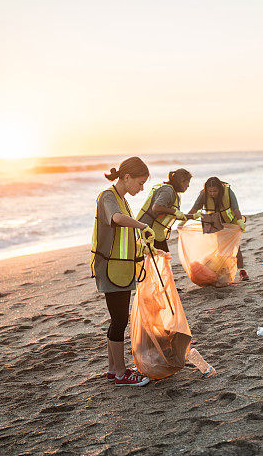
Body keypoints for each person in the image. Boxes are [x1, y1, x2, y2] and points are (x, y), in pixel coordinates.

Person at [90, 157, 155, 387]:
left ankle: (112, 370)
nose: (142, 188)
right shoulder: (109, 197)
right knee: (119, 321)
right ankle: (120, 373)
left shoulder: (122, 199)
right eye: (140, 183)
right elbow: (117, 219)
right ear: (126, 177)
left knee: (117, 320)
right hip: (111, 268)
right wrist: (143, 226)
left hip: (121, 268)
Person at [188, 177, 249, 281]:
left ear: (220, 189)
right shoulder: (203, 194)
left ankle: (242, 271)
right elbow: (194, 209)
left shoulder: (228, 192)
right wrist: (184, 220)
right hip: (213, 223)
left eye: (215, 191)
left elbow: (235, 209)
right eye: (210, 191)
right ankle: (223, 271)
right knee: (219, 248)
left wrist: (240, 221)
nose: (212, 193)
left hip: (230, 223)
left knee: (236, 247)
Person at [137, 169, 193, 253]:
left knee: (164, 257)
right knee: (162, 257)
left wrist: (194, 216)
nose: (188, 186)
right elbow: (156, 208)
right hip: (147, 231)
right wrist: (174, 211)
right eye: (187, 182)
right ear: (181, 181)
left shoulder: (174, 192)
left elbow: (173, 215)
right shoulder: (167, 191)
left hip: (156, 232)